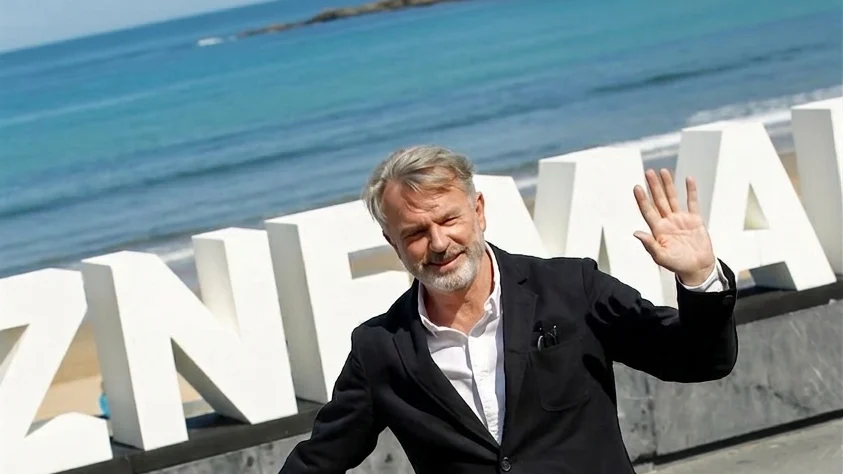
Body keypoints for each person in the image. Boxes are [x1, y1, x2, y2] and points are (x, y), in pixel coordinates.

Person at [278, 145, 738, 474]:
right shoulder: (380, 348)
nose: (438, 243)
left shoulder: (569, 287)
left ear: (478, 211)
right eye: (415, 232)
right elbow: (320, 459)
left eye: (448, 219)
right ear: (392, 243)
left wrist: (700, 279)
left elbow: (699, 359)